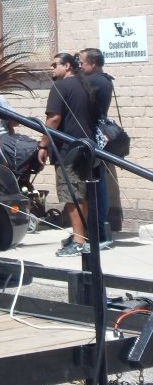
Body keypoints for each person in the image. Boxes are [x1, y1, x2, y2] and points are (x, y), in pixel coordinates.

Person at [37, 52, 97, 257]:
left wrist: (43, 145)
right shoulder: (85, 85)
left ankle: (79, 242)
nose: (51, 69)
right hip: (86, 148)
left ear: (68, 66)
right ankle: (80, 236)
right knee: (80, 195)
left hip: (68, 151)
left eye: (55, 65)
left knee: (72, 196)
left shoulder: (60, 87)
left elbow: (53, 119)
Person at [79, 47, 115, 248]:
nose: (80, 66)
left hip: (94, 137)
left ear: (93, 63)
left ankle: (100, 230)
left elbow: (74, 86)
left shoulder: (96, 81)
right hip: (95, 136)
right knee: (97, 181)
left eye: (82, 62)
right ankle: (98, 228)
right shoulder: (104, 80)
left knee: (96, 182)